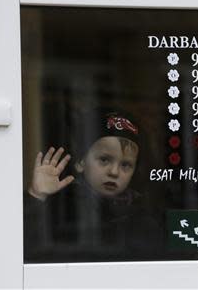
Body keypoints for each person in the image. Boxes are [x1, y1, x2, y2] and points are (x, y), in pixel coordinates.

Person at [24, 108, 161, 263]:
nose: (114, 172)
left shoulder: (144, 220)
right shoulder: (61, 210)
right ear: (80, 162)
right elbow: (24, 252)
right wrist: (36, 196)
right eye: (104, 160)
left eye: (126, 165)